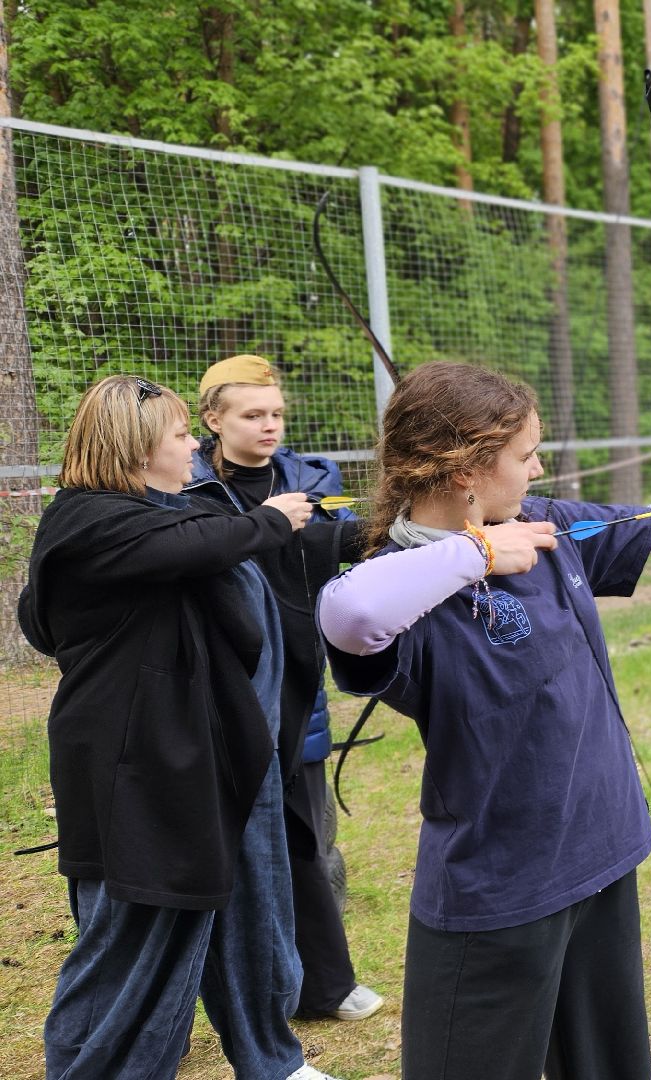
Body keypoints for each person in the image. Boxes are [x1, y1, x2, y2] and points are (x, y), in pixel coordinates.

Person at [316, 361, 651, 1080]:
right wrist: (479, 553)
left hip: (600, 846)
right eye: (525, 455)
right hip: (500, 889)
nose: (539, 467)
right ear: (466, 470)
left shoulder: (544, 525)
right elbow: (350, 614)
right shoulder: (405, 584)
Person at [21, 374, 341, 1080]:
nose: (192, 443)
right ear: (137, 450)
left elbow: (196, 538)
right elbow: (192, 546)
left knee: (215, 916)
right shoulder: (90, 523)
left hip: (190, 760)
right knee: (128, 938)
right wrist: (273, 519)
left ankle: (268, 1058)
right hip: (130, 766)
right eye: (177, 435)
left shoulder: (138, 514)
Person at [193, 354, 383, 1022]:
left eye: (276, 413)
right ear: (214, 419)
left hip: (298, 678)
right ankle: (184, 1002)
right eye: (252, 415)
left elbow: (354, 539)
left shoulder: (313, 476)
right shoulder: (185, 485)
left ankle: (322, 985)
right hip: (215, 681)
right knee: (209, 842)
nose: (269, 425)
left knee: (303, 832)